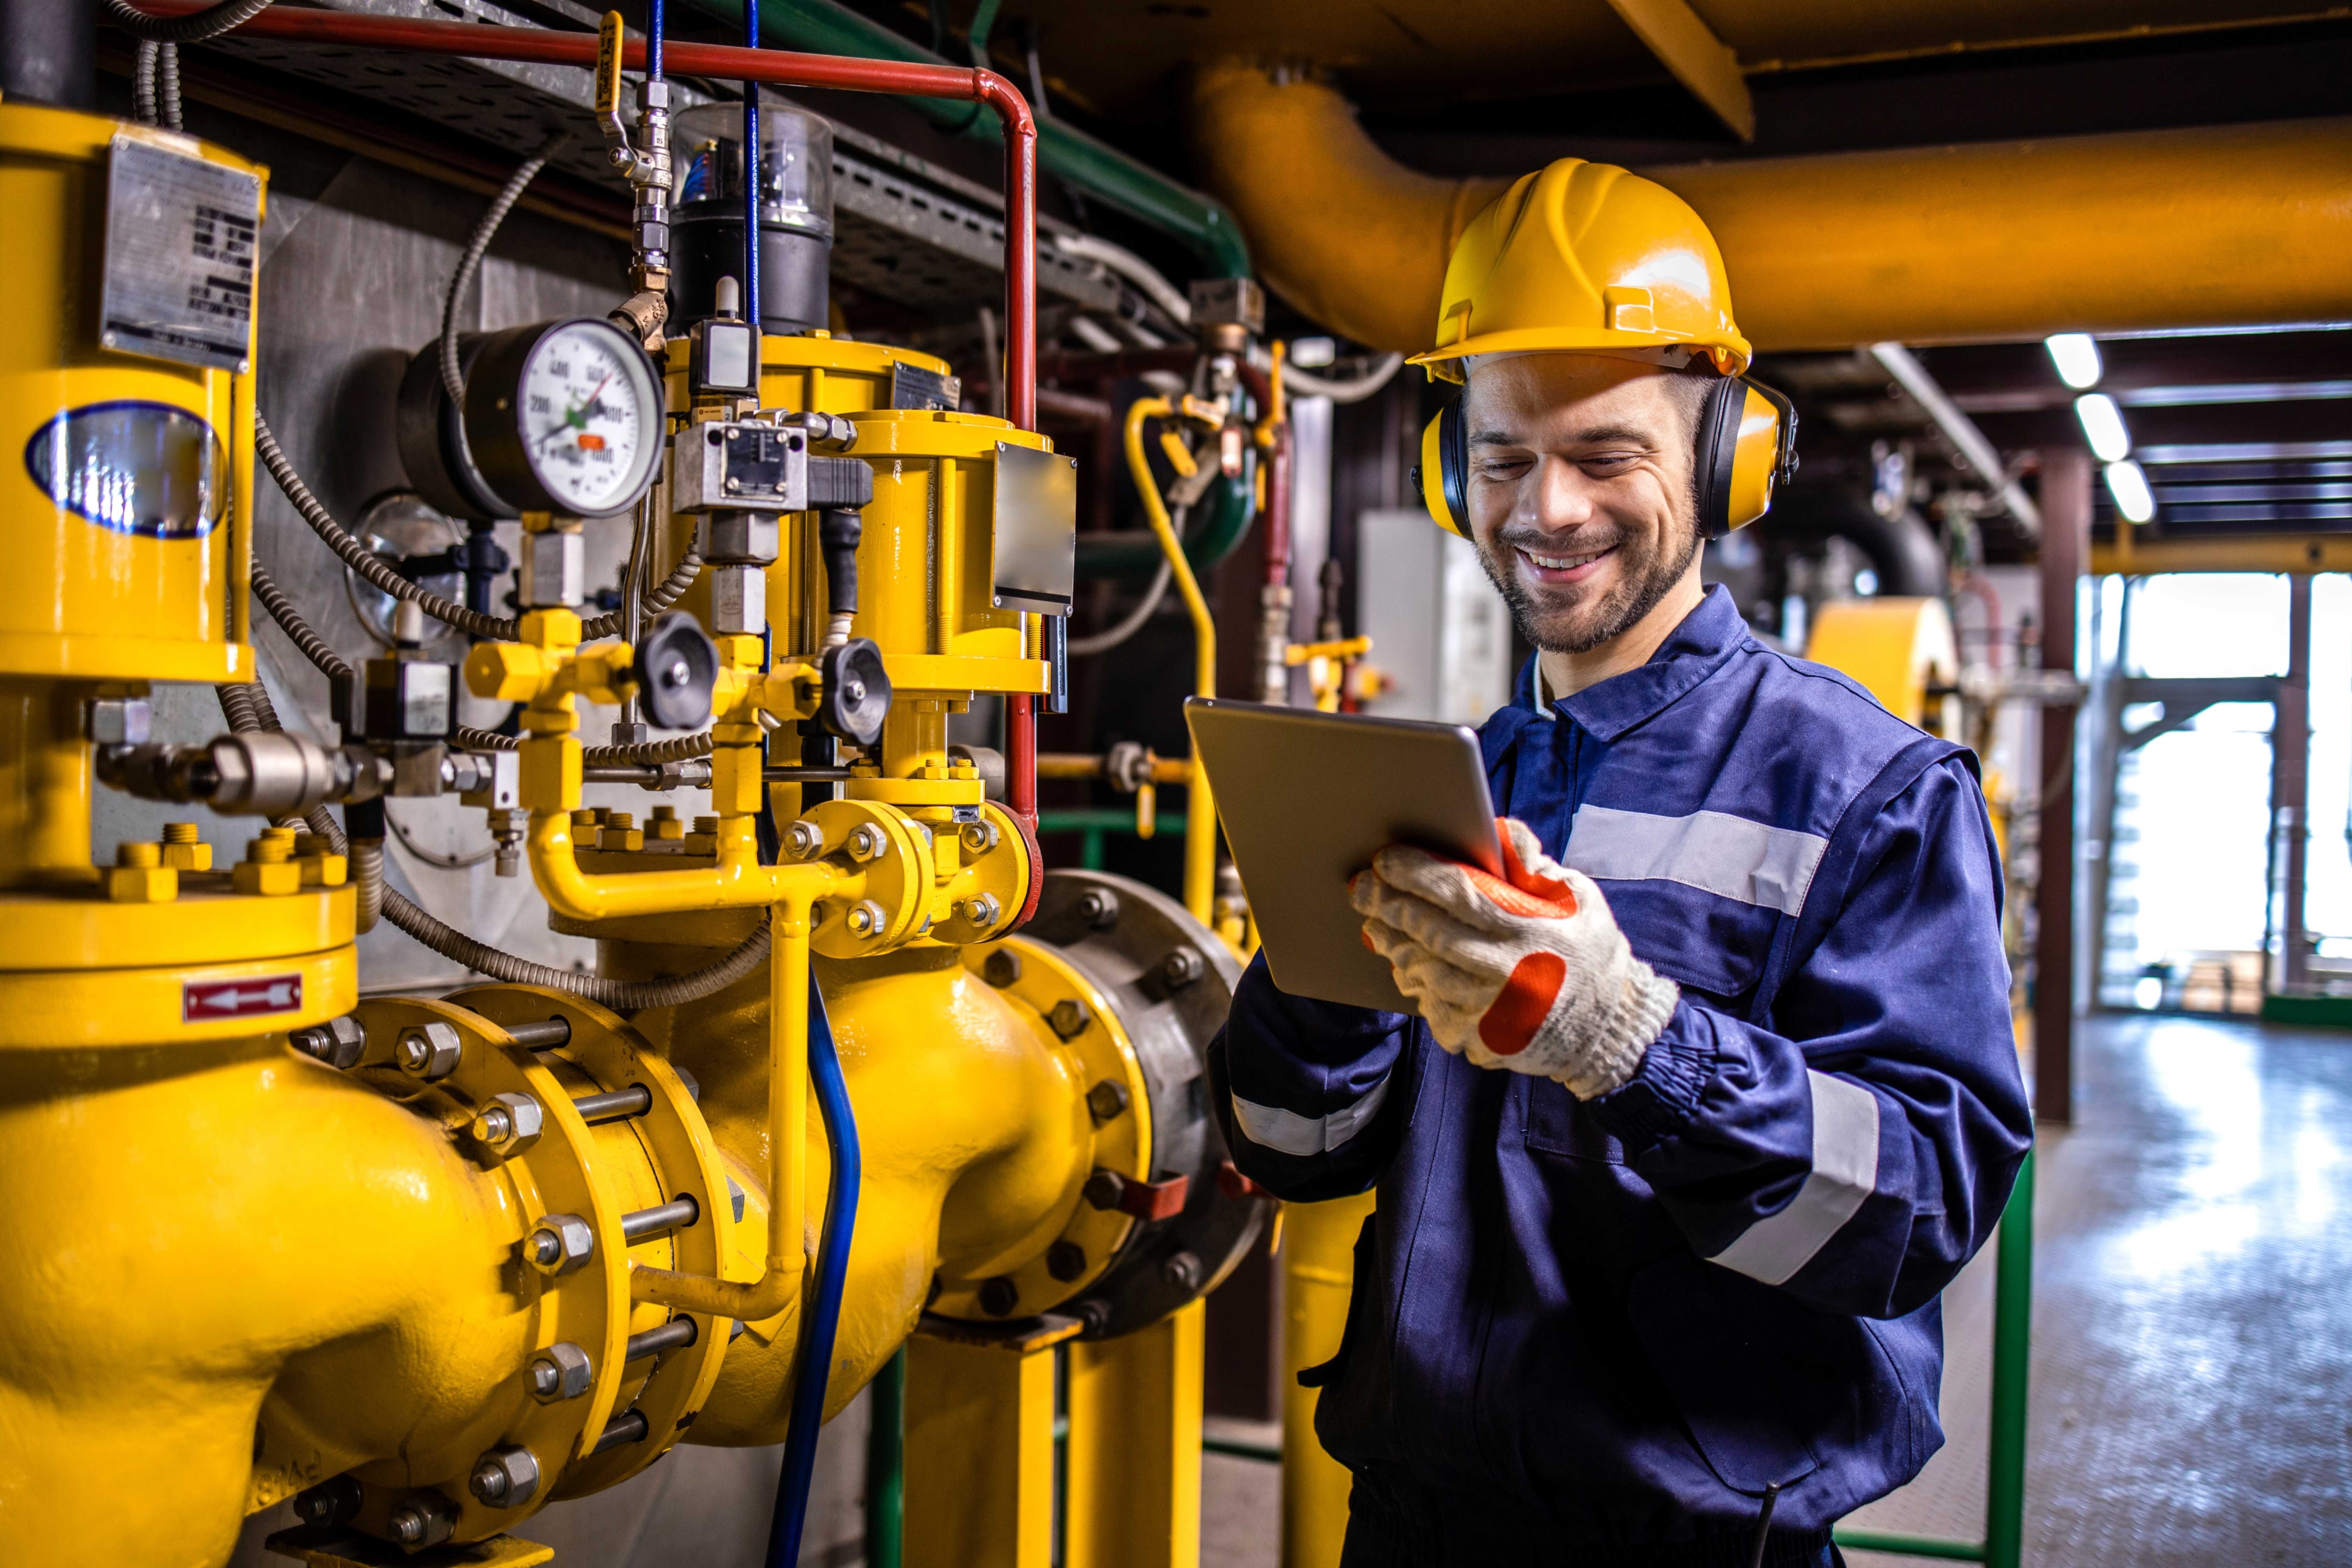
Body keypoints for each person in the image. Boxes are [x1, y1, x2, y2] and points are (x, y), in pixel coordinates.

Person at [1209, 158, 2033, 1568]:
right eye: (1502, 459)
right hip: (1412, 1527)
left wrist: (1632, 1042)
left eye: (1606, 456)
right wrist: (1322, 982)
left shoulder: (1870, 793)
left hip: (1693, 1545)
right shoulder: (1452, 783)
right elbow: (1295, 1154)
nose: (1547, 510)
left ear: (1724, 462)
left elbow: (1917, 1215)